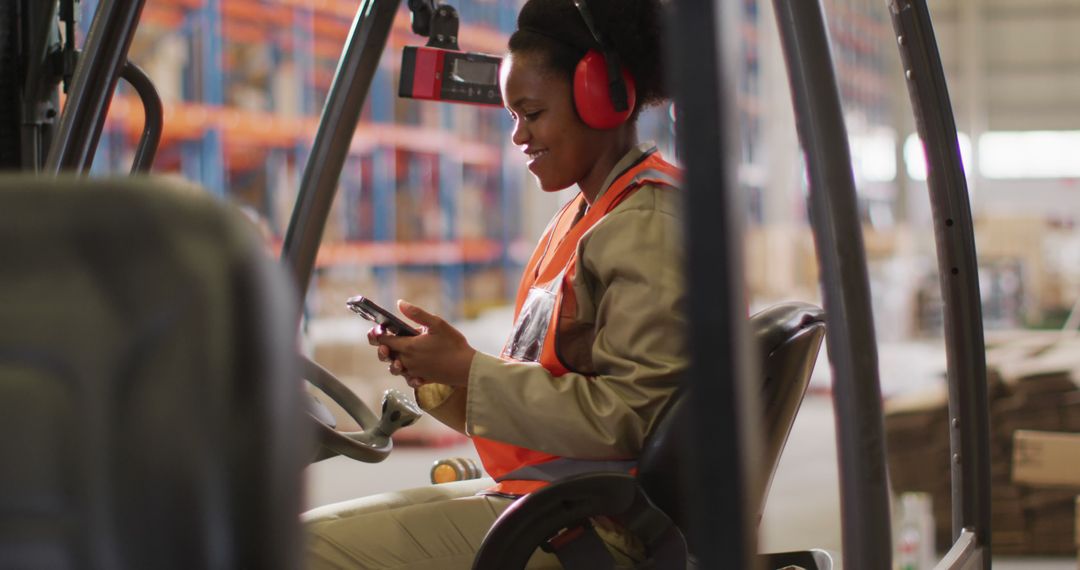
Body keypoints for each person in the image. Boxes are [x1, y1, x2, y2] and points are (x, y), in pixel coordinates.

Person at [304, 0, 686, 567]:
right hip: (560, 501)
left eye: (531, 113)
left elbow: (633, 419)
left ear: (602, 99)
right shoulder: (588, 217)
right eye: (512, 116)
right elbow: (546, 406)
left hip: (602, 527)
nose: (518, 136)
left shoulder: (646, 224)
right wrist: (441, 376)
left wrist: (468, 368)